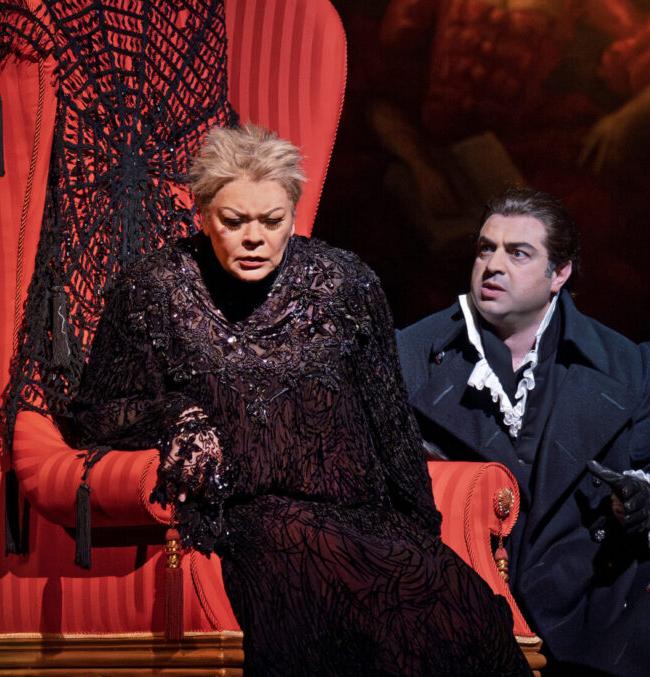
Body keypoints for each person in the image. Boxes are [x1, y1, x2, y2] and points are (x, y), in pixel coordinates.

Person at [67, 123, 531, 676]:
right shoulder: (155, 289)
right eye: (234, 221)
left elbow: (390, 418)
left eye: (272, 220)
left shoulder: (346, 283)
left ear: (293, 213)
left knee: (447, 597)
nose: (254, 238)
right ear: (203, 214)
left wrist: (421, 532)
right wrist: (176, 416)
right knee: (318, 569)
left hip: (360, 512)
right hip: (251, 518)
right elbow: (96, 414)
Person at [396, 187, 650, 675]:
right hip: (455, 597)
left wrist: (647, 498)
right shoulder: (410, 357)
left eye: (518, 253)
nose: (493, 266)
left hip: (590, 593)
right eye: (485, 249)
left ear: (559, 273)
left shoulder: (626, 365)